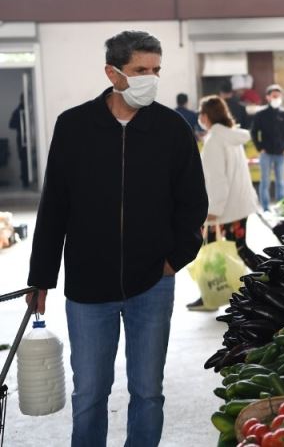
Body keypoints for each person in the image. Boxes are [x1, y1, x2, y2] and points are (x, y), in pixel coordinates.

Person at [25, 30, 208, 446]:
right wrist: (42, 277)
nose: (151, 78)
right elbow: (54, 206)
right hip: (89, 287)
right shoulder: (74, 127)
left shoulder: (172, 129)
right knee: (89, 393)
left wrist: (173, 261)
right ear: (112, 72)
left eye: (156, 70)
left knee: (148, 392)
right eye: (140, 70)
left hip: (153, 284)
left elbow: (193, 203)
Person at [188, 96, 261, 311]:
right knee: (239, 248)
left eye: (201, 113)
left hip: (223, 210)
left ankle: (210, 296)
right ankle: (269, 282)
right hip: (239, 205)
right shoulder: (231, 137)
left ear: (206, 116)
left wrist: (213, 210)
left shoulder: (214, 141)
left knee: (213, 251)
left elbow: (217, 179)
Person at [251, 84, 284, 211]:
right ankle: (265, 207)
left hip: (280, 153)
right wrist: (259, 147)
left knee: (280, 182)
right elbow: (254, 131)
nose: (276, 98)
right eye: (274, 96)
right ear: (268, 97)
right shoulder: (261, 114)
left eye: (278, 96)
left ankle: (281, 207)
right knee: (265, 182)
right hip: (266, 153)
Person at [8, 94, 30, 187]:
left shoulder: (31, 108)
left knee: (30, 160)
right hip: (21, 140)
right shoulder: (17, 111)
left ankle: (30, 180)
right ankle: (25, 181)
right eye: (23, 99)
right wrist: (20, 125)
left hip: (31, 139)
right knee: (24, 160)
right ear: (21, 99)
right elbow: (11, 125)